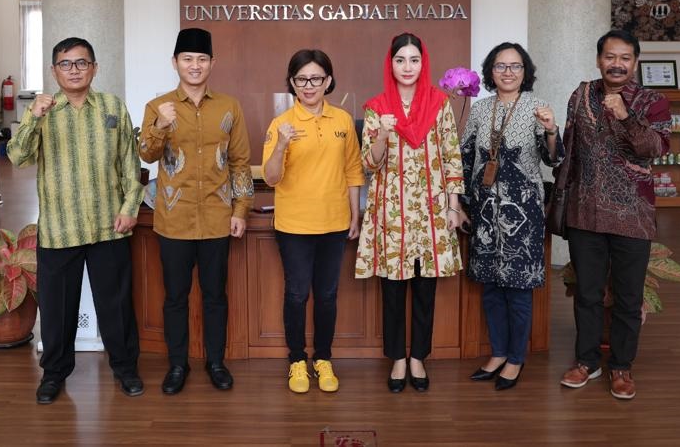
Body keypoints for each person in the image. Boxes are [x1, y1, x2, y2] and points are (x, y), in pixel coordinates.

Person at [7, 37, 144, 405]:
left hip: (108, 224)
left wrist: (131, 206)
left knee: (115, 305)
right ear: (54, 71)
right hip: (59, 227)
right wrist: (32, 118)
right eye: (66, 64)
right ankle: (53, 374)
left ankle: (126, 368)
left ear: (94, 68)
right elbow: (17, 157)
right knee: (57, 309)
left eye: (81, 63)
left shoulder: (113, 106)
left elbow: (130, 163)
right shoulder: (42, 111)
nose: (74, 70)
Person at [139, 28, 254, 395]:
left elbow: (240, 163)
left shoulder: (229, 107)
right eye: (187, 58)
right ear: (175, 63)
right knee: (174, 296)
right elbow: (146, 154)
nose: (194, 65)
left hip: (219, 219)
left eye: (202, 59)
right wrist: (159, 126)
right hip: (174, 220)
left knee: (215, 295)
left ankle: (216, 362)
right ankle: (177, 365)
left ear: (212, 64)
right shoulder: (158, 107)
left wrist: (242, 209)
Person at [559, 29, 670, 400]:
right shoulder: (581, 94)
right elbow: (568, 148)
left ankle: (621, 367)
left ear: (635, 62)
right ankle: (586, 363)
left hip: (633, 216)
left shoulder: (652, 101)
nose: (617, 64)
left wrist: (625, 116)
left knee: (626, 296)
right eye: (610, 57)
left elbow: (655, 148)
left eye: (624, 58)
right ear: (598, 60)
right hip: (584, 212)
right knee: (588, 294)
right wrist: (548, 137)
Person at [354, 32, 465, 393]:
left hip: (431, 211)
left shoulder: (439, 103)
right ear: (390, 64)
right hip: (391, 211)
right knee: (393, 288)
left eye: (414, 60)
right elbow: (369, 165)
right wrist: (384, 134)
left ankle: (418, 356)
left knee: (424, 288)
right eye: (400, 60)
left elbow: (451, 156)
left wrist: (453, 207)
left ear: (423, 63)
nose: (407, 67)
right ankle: (397, 359)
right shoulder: (376, 107)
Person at [460, 42, 561, 391]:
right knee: (491, 288)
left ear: (525, 71)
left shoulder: (537, 108)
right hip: (485, 210)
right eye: (501, 66)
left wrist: (550, 129)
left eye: (515, 66)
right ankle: (498, 353)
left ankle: (516, 358)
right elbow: (466, 157)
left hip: (522, 213)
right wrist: (459, 203)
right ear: (490, 71)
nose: (508, 72)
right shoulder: (479, 109)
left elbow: (553, 160)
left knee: (518, 289)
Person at [263, 49, 365, 394]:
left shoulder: (342, 121)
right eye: (301, 79)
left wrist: (355, 214)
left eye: (316, 78)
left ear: (328, 81)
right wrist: (281, 146)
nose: (309, 85)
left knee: (327, 295)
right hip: (294, 225)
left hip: (335, 223)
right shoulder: (281, 124)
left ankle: (323, 358)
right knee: (295, 294)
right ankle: (296, 361)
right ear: (292, 83)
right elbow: (272, 178)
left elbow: (353, 169)